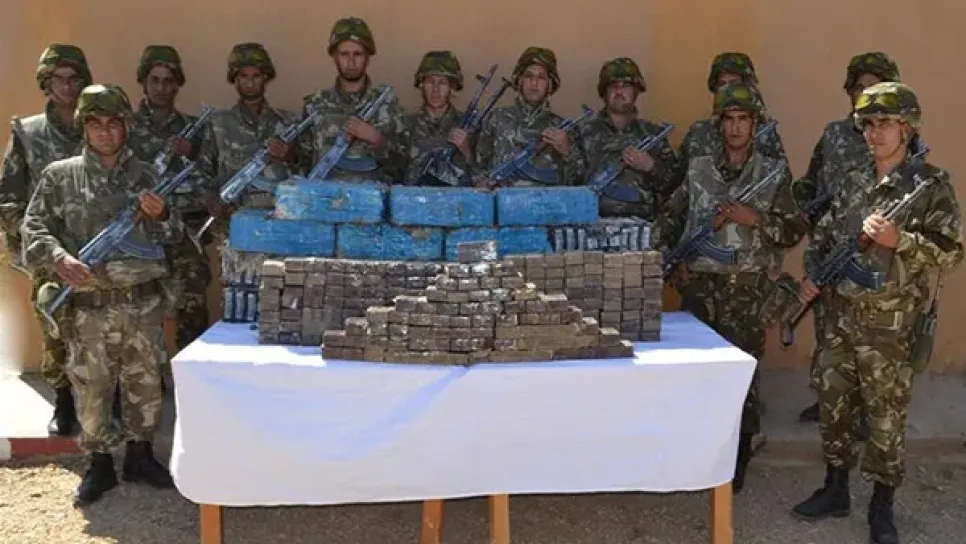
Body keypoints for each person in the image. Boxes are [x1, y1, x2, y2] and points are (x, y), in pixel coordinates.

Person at [791, 82, 963, 544]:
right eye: (867, 123)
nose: (874, 132)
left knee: (886, 421)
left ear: (907, 127)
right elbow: (826, 236)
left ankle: (882, 507)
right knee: (834, 408)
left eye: (885, 122)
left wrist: (900, 240)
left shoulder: (929, 185)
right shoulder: (852, 179)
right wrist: (812, 276)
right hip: (839, 318)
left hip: (890, 329)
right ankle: (835, 489)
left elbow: (951, 253)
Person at [20, 84, 182, 505]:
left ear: (125, 126)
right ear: (84, 127)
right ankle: (100, 464)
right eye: (95, 124)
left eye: (113, 123)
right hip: (89, 308)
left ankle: (140, 456)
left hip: (141, 303)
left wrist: (163, 215)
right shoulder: (60, 176)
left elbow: (176, 235)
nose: (105, 132)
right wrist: (59, 259)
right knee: (92, 389)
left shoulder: (147, 175)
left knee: (145, 385)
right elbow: (33, 227)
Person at [655, 82, 804, 493]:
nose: (736, 127)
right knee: (697, 373)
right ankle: (699, 453)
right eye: (729, 119)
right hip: (701, 287)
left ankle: (738, 455)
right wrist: (671, 260)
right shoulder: (699, 168)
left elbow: (794, 229)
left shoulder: (772, 172)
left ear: (755, 125)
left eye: (743, 120)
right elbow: (669, 219)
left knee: (743, 376)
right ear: (719, 124)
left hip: (748, 289)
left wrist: (754, 219)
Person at [792, 52, 901, 426]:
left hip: (876, 249)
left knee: (871, 334)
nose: (865, 94)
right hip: (832, 245)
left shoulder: (900, 138)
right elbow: (811, 181)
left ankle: (870, 410)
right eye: (859, 88)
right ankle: (829, 400)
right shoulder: (834, 135)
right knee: (829, 327)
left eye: (875, 87)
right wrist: (802, 208)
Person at [0, 44, 92, 436]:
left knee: (100, 326)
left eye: (74, 79)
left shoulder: (100, 125)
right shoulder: (29, 132)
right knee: (55, 325)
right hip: (50, 249)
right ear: (46, 82)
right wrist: (33, 239)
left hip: (95, 247)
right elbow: (8, 196)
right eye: (59, 79)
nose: (67, 87)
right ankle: (64, 400)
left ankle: (108, 401)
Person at [127, 45, 210, 353]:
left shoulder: (194, 129)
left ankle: (193, 373)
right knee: (139, 315)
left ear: (177, 84)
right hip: (139, 235)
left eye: (168, 81)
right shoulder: (124, 127)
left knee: (192, 310)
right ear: (143, 81)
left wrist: (193, 153)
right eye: (155, 80)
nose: (161, 88)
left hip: (184, 235)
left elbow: (213, 177)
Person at [284, 17, 404, 183]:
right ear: (334, 56)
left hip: (373, 196)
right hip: (324, 196)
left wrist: (378, 141)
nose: (351, 61)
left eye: (358, 54)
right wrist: (287, 155)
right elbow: (302, 164)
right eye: (344, 54)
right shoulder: (316, 105)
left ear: (367, 57)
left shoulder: (387, 105)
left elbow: (403, 170)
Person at [197, 42, 297, 221]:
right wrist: (211, 201)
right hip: (233, 223)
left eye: (256, 76)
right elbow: (201, 174)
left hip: (278, 222)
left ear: (266, 78)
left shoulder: (288, 122)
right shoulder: (218, 124)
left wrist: (289, 156)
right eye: (243, 76)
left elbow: (308, 173)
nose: (250, 82)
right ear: (235, 79)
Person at [580, 57, 679, 221]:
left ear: (636, 91)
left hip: (643, 225)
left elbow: (675, 187)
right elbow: (566, 184)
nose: (619, 91)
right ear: (604, 91)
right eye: (613, 85)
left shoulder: (653, 134)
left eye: (626, 85)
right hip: (591, 223)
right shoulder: (582, 133)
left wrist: (650, 166)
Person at [676, 52, 786, 195]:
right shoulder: (698, 133)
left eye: (734, 83)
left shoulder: (764, 134)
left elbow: (782, 184)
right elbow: (677, 183)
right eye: (722, 84)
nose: (728, 89)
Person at [474, 46, 586, 187]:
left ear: (550, 84)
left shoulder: (564, 129)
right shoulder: (496, 119)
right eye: (528, 76)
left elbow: (580, 183)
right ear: (519, 80)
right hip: (503, 199)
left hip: (549, 201)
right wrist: (482, 183)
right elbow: (477, 168)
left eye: (541, 78)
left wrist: (567, 152)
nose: (534, 83)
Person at [397, 50, 474, 186]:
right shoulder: (404, 125)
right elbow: (392, 174)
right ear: (421, 84)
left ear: (451, 86)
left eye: (442, 82)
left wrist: (467, 152)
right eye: (430, 81)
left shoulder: (470, 125)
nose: (436, 89)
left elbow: (483, 179)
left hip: (458, 198)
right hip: (414, 197)